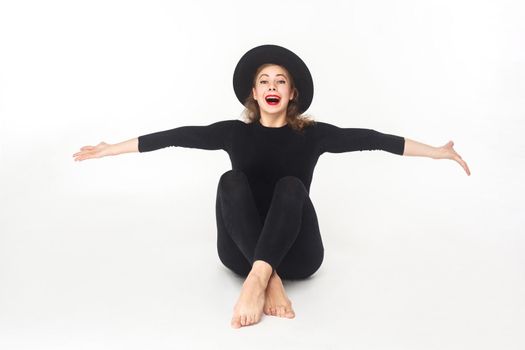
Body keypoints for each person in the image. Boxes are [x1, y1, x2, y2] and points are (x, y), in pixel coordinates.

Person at [72, 44, 471, 329]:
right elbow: (178, 134)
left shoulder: (313, 136)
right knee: (230, 181)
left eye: (281, 80)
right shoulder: (233, 133)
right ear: (255, 93)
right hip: (239, 253)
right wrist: (111, 149)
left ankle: (260, 278)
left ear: (292, 93)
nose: (272, 85)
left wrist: (437, 152)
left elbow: (375, 138)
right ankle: (268, 279)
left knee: (291, 186)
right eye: (264, 80)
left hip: (301, 255)